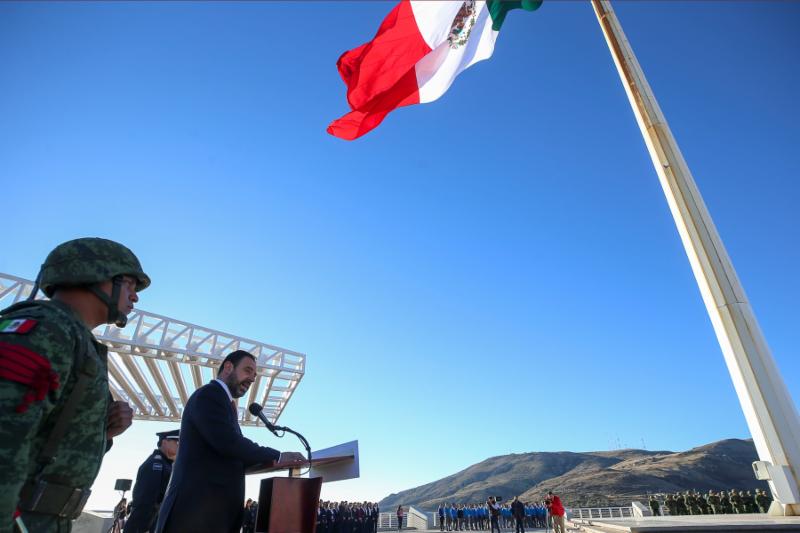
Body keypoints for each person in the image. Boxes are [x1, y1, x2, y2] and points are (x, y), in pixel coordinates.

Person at [0, 237, 146, 532]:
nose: (135, 297)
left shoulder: (76, 339)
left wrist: (104, 432)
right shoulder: (45, 329)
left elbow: (51, 446)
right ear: (94, 274)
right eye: (129, 284)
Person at [155, 350, 304, 533]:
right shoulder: (209, 395)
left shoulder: (224, 402)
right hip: (194, 515)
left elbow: (231, 451)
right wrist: (278, 456)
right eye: (248, 370)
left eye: (254, 375)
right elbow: (229, 442)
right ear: (228, 367)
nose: (252, 379)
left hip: (210, 516)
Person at [123, 429, 180, 533]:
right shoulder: (156, 465)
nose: (179, 445)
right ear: (164, 442)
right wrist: (145, 528)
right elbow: (148, 499)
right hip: (145, 524)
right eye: (176, 442)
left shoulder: (167, 464)